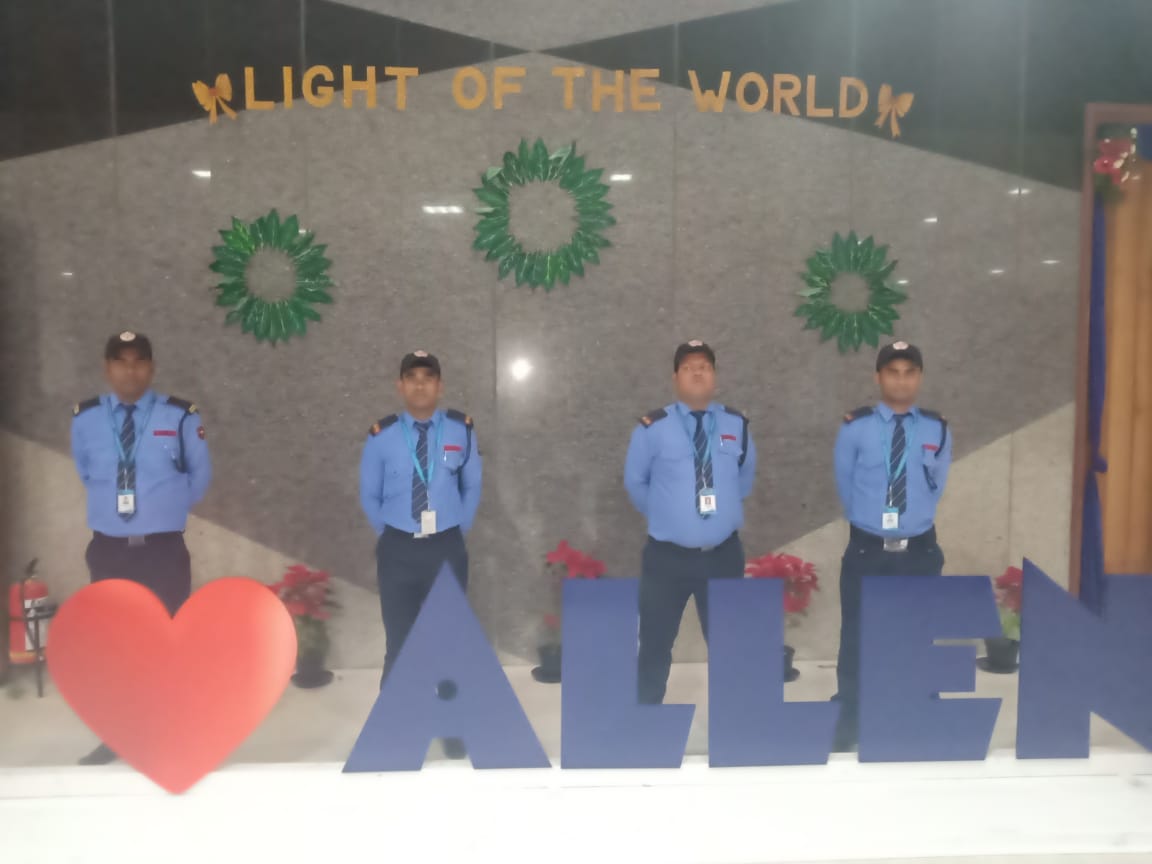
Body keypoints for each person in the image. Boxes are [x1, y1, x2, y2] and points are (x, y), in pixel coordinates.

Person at [70, 331, 212, 765]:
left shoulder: (180, 416)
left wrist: (162, 511)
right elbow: (86, 471)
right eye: (120, 361)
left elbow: (199, 477)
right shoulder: (86, 419)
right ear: (107, 367)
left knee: (168, 637)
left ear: (151, 368)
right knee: (115, 645)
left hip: (162, 550)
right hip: (109, 549)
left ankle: (171, 731)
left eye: (138, 361)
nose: (129, 370)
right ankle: (119, 734)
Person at [358, 350, 482, 758]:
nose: (420, 384)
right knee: (399, 641)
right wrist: (393, 534)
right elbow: (369, 494)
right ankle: (395, 727)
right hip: (398, 550)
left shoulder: (461, 430)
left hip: (445, 547)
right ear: (400, 386)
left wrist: (455, 529)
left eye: (428, 377)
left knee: (448, 639)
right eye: (412, 377)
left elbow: (472, 487)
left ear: (440, 386)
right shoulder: (382, 435)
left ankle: (453, 726)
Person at [831, 340, 952, 751]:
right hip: (868, 548)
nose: (901, 381)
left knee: (918, 634)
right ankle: (850, 715)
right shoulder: (856, 427)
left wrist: (907, 521)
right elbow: (846, 484)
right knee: (856, 636)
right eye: (893, 372)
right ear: (878, 377)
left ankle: (914, 711)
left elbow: (936, 486)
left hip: (918, 550)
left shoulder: (937, 428)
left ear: (919, 378)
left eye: (909, 372)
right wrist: (874, 523)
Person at [624, 340, 757, 704]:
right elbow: (635, 483)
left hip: (723, 556)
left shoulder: (736, 425)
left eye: (704, 367)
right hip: (667, 559)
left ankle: (733, 721)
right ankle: (647, 717)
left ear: (714, 376)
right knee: (655, 643)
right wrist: (670, 517)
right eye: (688, 367)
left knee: (730, 645)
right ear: (675, 378)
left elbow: (744, 479)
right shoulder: (652, 428)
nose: (697, 372)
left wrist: (714, 520)